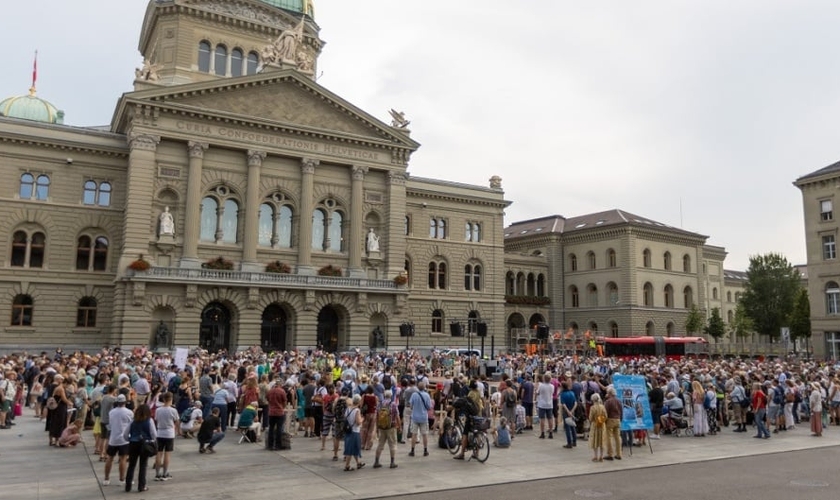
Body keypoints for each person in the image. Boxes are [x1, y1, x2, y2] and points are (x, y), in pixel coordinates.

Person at [124, 404, 157, 493]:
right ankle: (141, 486)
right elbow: (154, 434)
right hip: (144, 444)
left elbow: (125, 434)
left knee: (131, 465)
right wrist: (152, 441)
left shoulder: (133, 421)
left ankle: (128, 485)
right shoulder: (149, 421)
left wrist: (130, 439)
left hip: (133, 443)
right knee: (143, 465)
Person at [103, 394, 132, 486]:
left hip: (113, 438)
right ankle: (121, 479)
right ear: (125, 402)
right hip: (124, 439)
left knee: (110, 458)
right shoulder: (129, 412)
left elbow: (110, 424)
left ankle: (106, 478)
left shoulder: (112, 412)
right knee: (123, 458)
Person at [153, 392, 179, 481]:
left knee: (159, 453)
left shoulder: (158, 410)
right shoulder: (173, 410)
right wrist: (178, 430)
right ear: (171, 400)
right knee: (167, 454)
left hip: (160, 432)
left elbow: (156, 420)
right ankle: (165, 473)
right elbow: (176, 421)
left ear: (163, 400)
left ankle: (157, 474)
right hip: (169, 433)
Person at [373, 389, 400, 469]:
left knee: (380, 444)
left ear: (384, 395)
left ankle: (376, 461)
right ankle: (392, 462)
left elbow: (377, 415)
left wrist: (377, 426)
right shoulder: (393, 404)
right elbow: (397, 416)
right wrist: (399, 426)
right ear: (391, 396)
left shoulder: (380, 404)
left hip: (381, 427)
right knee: (392, 444)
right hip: (391, 426)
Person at [408, 381, 432, 457]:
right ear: (424, 387)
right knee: (424, 434)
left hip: (415, 417)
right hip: (423, 417)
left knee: (414, 434)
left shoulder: (414, 395)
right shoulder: (427, 395)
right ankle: (425, 450)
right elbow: (429, 407)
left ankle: (412, 450)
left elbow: (411, 406)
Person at [343, 394, 365, 471]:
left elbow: (345, 417)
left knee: (354, 447)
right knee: (351, 448)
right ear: (359, 402)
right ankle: (347, 465)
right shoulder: (357, 410)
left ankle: (358, 462)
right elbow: (358, 422)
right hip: (355, 431)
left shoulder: (348, 409)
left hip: (348, 430)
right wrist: (362, 419)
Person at [266, 382, 287, 450]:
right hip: (279, 412)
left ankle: (270, 445)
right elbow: (284, 401)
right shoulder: (282, 391)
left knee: (271, 429)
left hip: (271, 412)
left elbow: (268, 399)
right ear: (280, 385)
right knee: (279, 429)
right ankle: (278, 445)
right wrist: (282, 407)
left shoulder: (270, 391)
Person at [603, 387, 622, 460]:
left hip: (610, 419)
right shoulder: (619, 401)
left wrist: (603, 421)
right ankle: (619, 453)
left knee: (609, 437)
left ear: (610, 393)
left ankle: (610, 454)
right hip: (618, 419)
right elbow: (621, 411)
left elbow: (605, 412)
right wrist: (621, 419)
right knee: (617, 437)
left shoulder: (608, 401)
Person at [588, 394, 607, 461]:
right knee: (602, 440)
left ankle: (595, 456)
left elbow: (590, 418)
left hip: (595, 425)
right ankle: (601, 456)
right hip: (602, 424)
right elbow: (606, 416)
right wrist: (601, 420)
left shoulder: (592, 408)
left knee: (595, 440)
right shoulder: (602, 407)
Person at [559, 381, 578, 449]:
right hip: (572, 410)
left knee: (567, 428)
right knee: (573, 426)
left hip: (566, 412)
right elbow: (576, 403)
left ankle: (569, 443)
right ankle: (574, 441)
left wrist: (568, 412)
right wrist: (572, 411)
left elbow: (563, 404)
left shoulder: (563, 394)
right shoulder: (572, 393)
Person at [536, 374, 554, 439]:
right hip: (549, 404)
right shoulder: (552, 386)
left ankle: (542, 433)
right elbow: (552, 393)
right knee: (550, 418)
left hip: (542, 404)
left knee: (542, 419)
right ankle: (551, 432)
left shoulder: (541, 386)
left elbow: (538, 392)